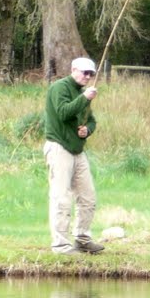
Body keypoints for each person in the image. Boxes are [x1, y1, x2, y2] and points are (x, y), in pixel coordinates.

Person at [43, 56, 105, 254]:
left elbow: (92, 120)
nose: (87, 76)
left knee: (88, 196)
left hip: (78, 151)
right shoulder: (59, 88)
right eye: (84, 72)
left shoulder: (81, 93)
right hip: (59, 148)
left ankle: (82, 239)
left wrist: (87, 130)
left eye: (91, 74)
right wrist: (85, 98)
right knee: (61, 197)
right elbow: (63, 112)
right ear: (73, 69)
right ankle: (60, 244)